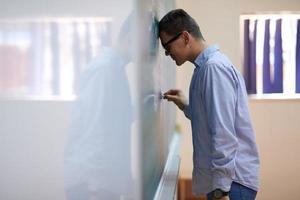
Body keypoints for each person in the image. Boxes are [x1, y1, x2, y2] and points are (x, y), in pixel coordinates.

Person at [159, 9, 259, 200]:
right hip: (227, 181)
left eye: (167, 47)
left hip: (231, 184)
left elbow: (223, 133)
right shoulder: (204, 68)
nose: (167, 54)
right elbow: (210, 117)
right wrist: (185, 105)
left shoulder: (214, 69)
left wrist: (222, 190)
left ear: (185, 37)